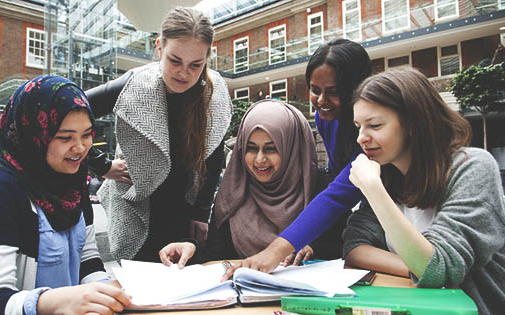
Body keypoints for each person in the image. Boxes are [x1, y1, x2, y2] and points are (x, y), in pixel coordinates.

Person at [0, 76, 131, 314]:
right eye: (65, 137)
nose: (80, 148)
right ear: (34, 134)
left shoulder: (73, 180)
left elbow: (87, 258)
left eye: (86, 135)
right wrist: (59, 301)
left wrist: (106, 292)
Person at [344, 68, 505, 315]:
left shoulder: (473, 168)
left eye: (374, 125)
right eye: (358, 126)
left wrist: (374, 190)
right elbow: (355, 248)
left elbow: (438, 266)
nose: (361, 138)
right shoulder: (389, 175)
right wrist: (416, 268)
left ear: (413, 123)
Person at [85, 7, 232, 262]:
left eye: (196, 65)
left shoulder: (215, 92)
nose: (184, 73)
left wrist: (200, 212)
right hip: (137, 207)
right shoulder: (133, 84)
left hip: (184, 214)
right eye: (175, 61)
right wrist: (101, 164)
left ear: (208, 57)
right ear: (159, 48)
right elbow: (65, 113)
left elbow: (214, 156)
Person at [223, 38, 371, 277]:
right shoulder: (326, 118)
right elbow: (339, 176)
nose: (321, 101)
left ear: (356, 88)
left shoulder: (372, 135)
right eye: (315, 90)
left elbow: (340, 194)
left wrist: (275, 251)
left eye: (333, 92)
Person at [159, 100, 334, 267]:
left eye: (271, 148)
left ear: (292, 148)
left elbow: (340, 246)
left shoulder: (321, 190)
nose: (260, 159)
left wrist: (313, 248)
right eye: (251, 148)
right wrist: (191, 248)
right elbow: (217, 257)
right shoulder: (234, 195)